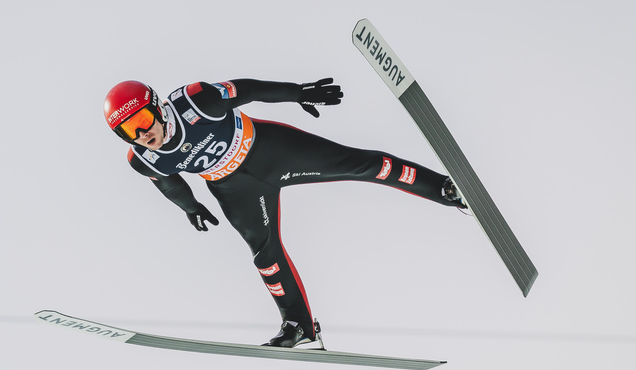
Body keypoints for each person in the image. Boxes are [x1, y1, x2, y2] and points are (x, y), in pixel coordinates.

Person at [103, 78, 465, 348]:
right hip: (234, 189)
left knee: (362, 165)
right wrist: (191, 207)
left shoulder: (196, 101)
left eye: (143, 119)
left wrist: (299, 92)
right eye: (128, 131)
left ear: (158, 106)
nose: (142, 133)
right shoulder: (143, 158)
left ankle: (445, 190)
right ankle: (299, 328)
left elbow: (250, 89)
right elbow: (168, 183)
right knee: (265, 256)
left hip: (272, 151)